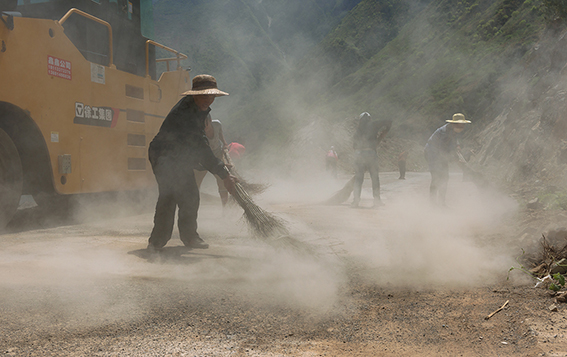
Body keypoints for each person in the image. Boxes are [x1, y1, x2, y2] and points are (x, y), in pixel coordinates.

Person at [147, 74, 237, 251]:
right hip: (164, 155)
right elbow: (201, 148)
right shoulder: (185, 113)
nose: (208, 100)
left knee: (190, 196)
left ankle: (190, 237)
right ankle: (157, 241)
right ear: (194, 94)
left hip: (181, 157)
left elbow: (199, 143)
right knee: (169, 196)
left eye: (211, 96)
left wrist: (220, 170)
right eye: (204, 95)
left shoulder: (198, 109)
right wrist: (223, 174)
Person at [424, 113, 471, 207]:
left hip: (440, 153)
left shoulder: (452, 130)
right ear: (453, 124)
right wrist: (456, 159)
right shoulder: (443, 132)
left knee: (445, 178)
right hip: (432, 153)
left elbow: (454, 141)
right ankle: (433, 203)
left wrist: (457, 146)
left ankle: (442, 203)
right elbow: (444, 150)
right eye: (460, 125)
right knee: (436, 178)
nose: (462, 127)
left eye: (463, 125)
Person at [351, 112, 392, 208]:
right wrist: (383, 134)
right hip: (371, 154)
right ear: (369, 119)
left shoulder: (357, 131)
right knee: (374, 177)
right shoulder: (373, 125)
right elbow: (389, 121)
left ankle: (355, 201)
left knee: (358, 179)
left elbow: (354, 146)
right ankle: (377, 201)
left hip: (359, 155)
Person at [194, 114, 230, 207]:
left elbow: (220, 134)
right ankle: (192, 209)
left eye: (206, 125)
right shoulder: (197, 133)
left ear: (210, 121)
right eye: (201, 125)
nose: (204, 128)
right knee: (195, 184)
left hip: (217, 154)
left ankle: (225, 208)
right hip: (203, 159)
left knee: (222, 180)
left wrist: (225, 144)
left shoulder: (217, 124)